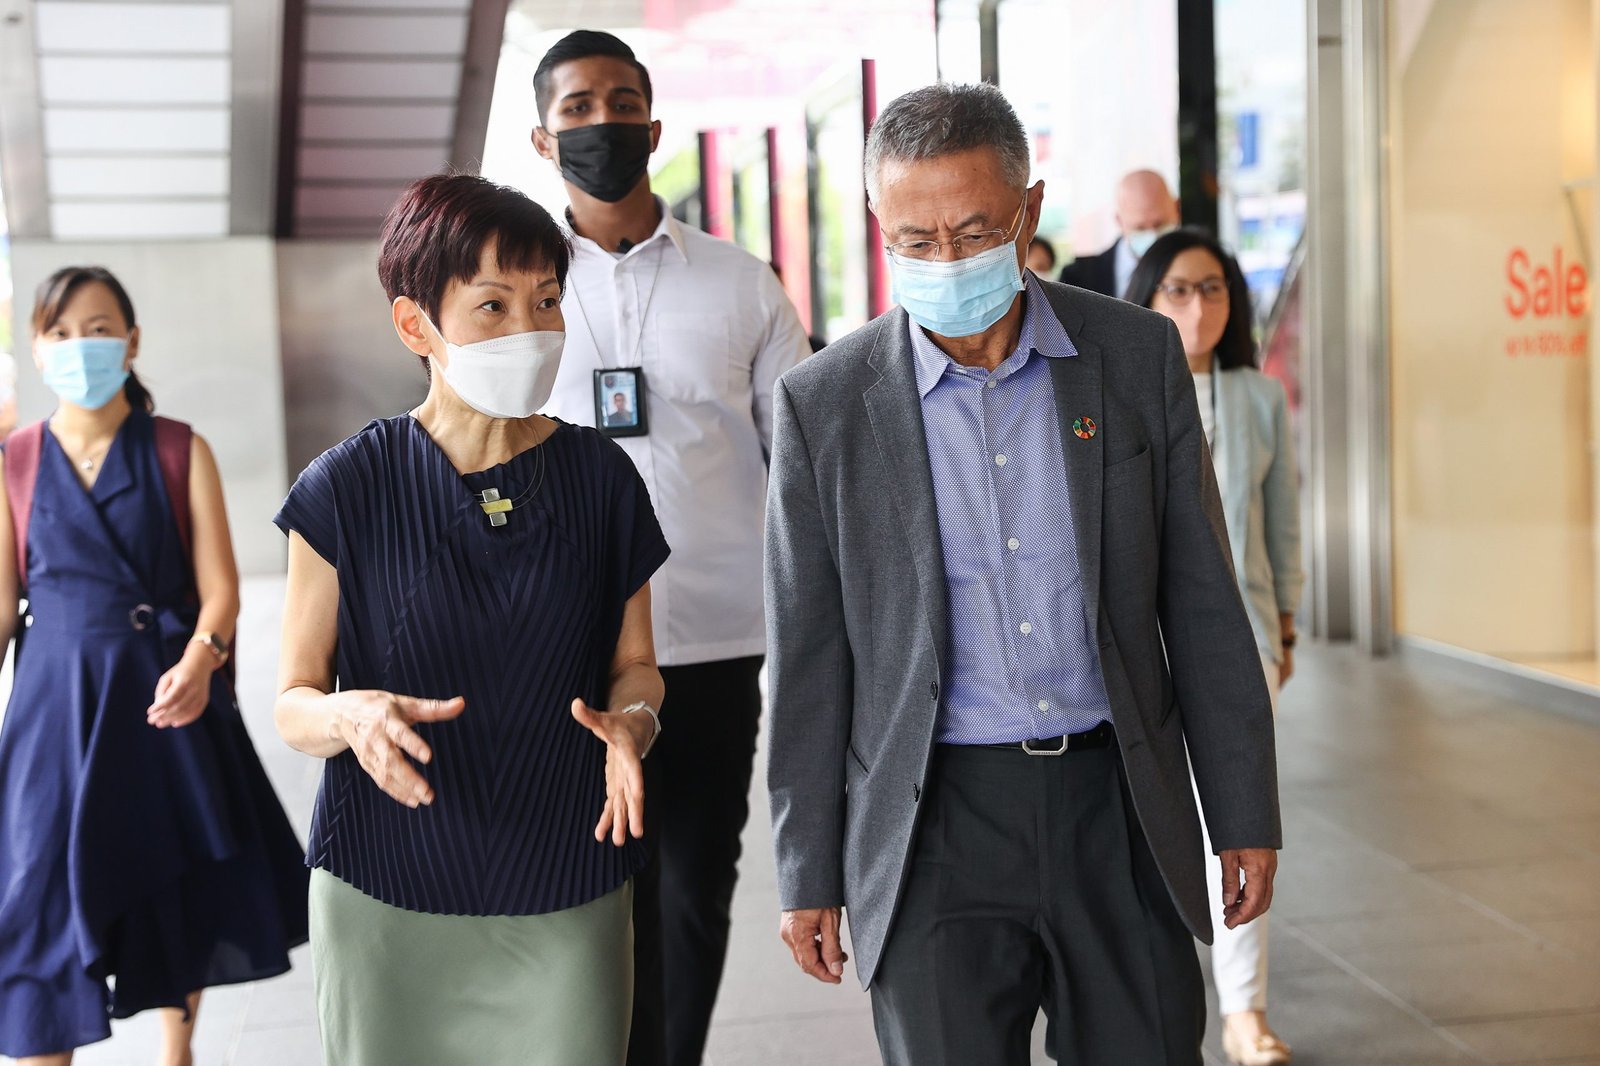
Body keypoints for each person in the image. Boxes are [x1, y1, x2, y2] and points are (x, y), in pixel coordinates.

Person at [765, 83, 1281, 1065]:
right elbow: (808, 660)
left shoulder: (1132, 355)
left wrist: (1242, 809)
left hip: (1117, 801)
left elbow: (1202, 600)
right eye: (913, 240)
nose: (944, 260)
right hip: (929, 824)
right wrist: (808, 870)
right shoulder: (823, 405)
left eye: (972, 231)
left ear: (1027, 213)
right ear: (881, 229)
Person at [272, 173, 671, 1065]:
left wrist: (632, 724)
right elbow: (292, 702)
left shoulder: (602, 481)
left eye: (546, 302)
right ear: (417, 326)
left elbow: (637, 665)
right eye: (493, 306)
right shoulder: (346, 488)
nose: (530, 330)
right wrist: (352, 714)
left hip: (568, 870)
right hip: (386, 882)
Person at [530, 30, 812, 1066]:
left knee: (693, 890)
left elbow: (802, 461)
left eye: (620, 103)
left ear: (653, 125)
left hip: (715, 640)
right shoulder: (514, 288)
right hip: (563, 653)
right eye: (576, 107)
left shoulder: (740, 283)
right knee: (594, 892)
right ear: (540, 134)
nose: (600, 123)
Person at [0, 266, 308, 1065]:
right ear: (36, 349)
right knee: (36, 889)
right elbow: (4, 608)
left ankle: (178, 1054)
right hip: (52, 713)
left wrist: (202, 662)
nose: (80, 347)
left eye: (98, 329)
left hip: (161, 698)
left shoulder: (179, 448)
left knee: (172, 876)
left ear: (132, 342)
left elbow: (221, 592)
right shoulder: (15, 463)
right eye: (61, 333)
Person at [1127, 229, 1301, 1066]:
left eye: (1214, 290)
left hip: (1246, 642)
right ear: (1149, 299)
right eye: (1179, 290)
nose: (1199, 308)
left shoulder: (1259, 397)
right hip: (1138, 653)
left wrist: (1288, 623)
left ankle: (1244, 1009)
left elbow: (1281, 525)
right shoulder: (1119, 386)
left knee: (1238, 825)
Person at [1058, 168, 1180, 297]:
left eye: (1160, 224)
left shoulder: (1199, 268)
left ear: (1177, 209)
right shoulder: (1076, 279)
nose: (1153, 235)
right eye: (1140, 228)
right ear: (1120, 221)